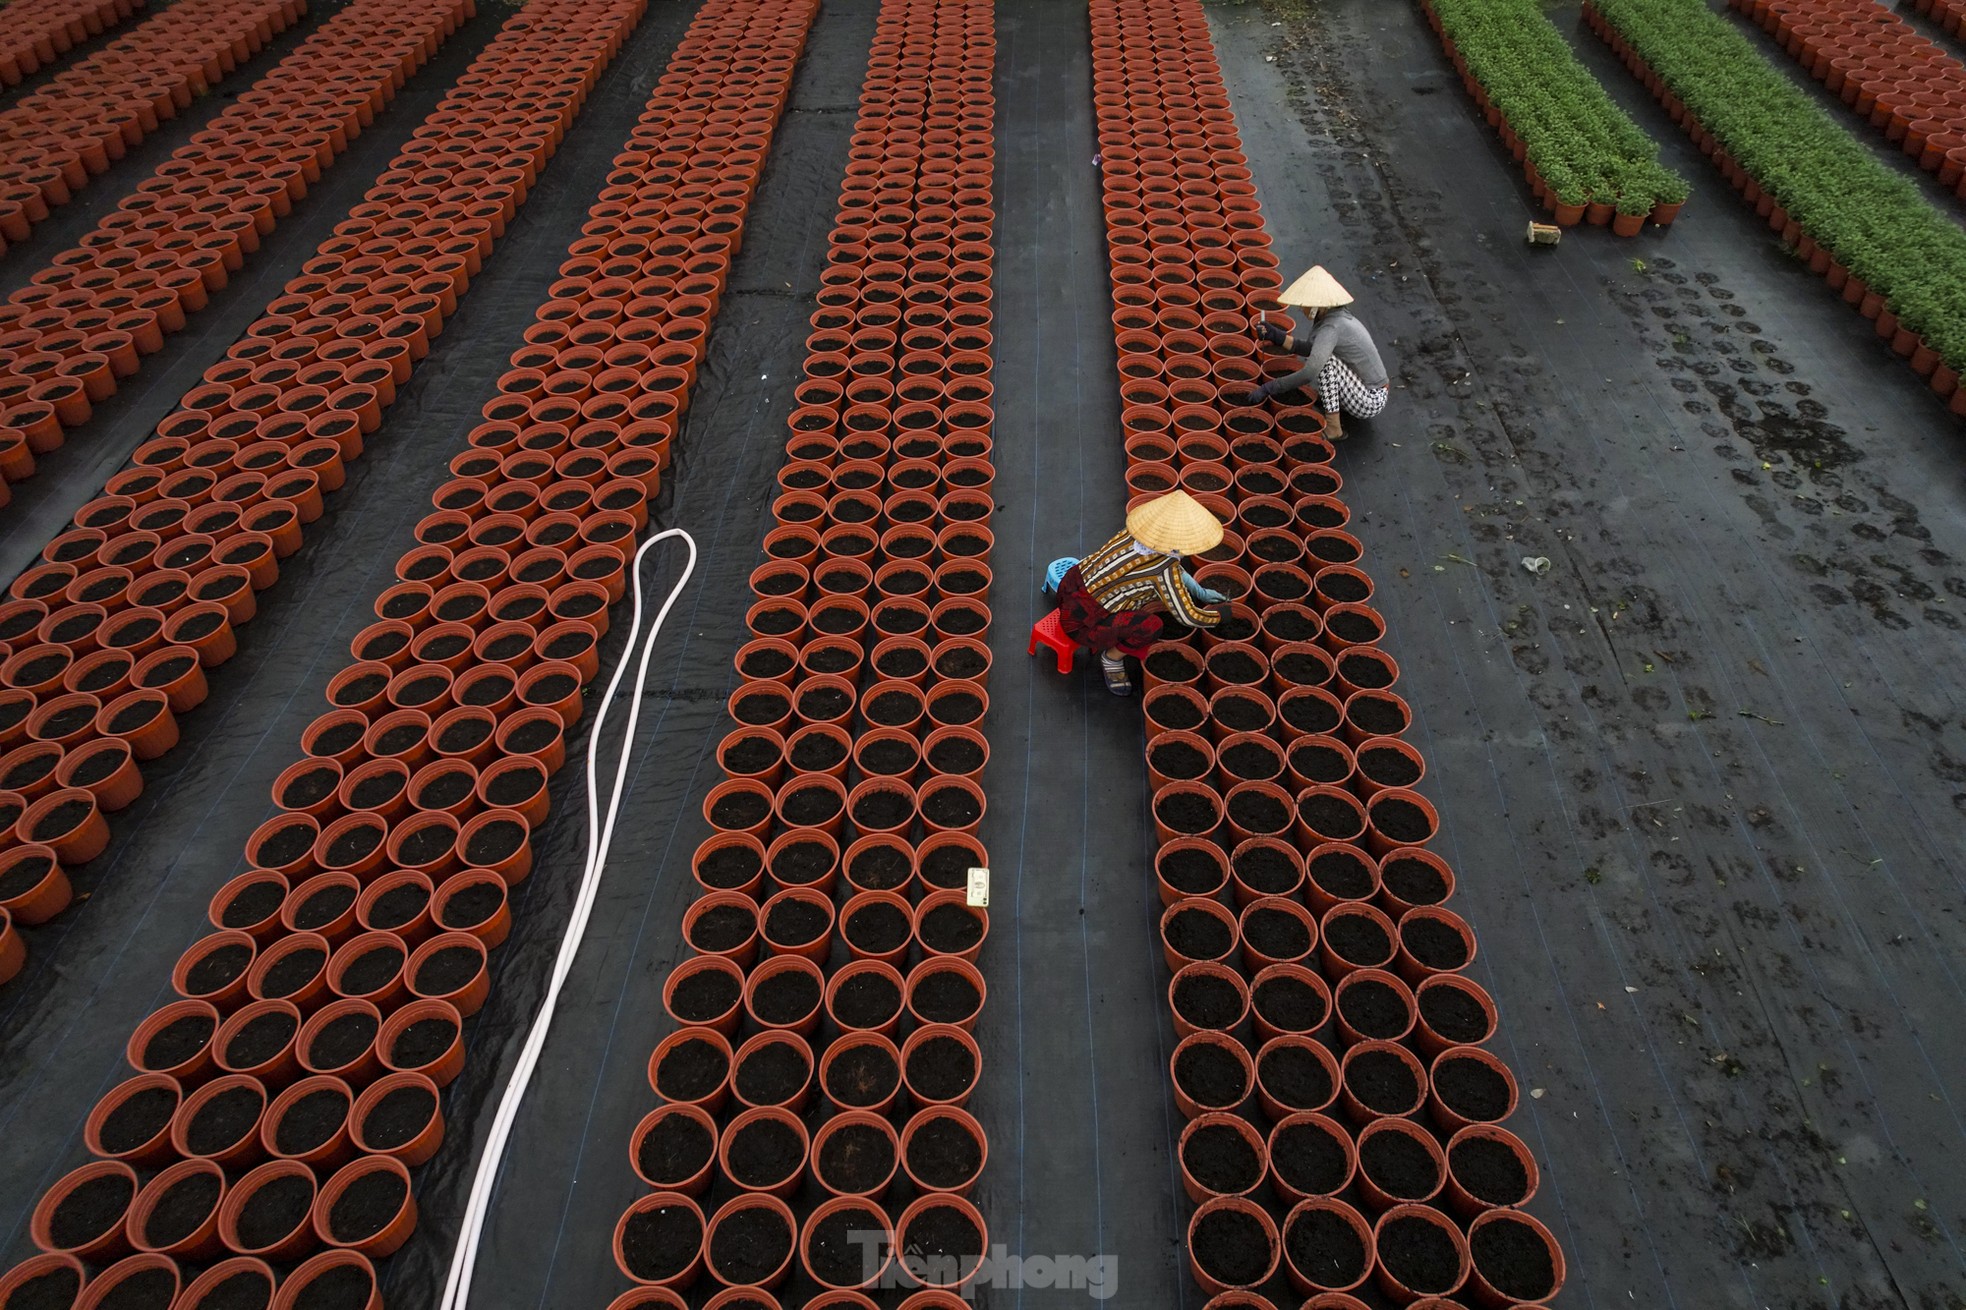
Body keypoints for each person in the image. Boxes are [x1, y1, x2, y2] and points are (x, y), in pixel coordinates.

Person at [1041, 490, 1230, 696]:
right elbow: (1187, 616)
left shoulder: (1135, 533)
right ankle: (1112, 658)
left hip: (1069, 587)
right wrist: (1218, 617)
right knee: (1152, 626)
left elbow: (1172, 563)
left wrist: (1198, 591)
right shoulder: (1163, 571)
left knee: (1144, 594)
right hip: (1082, 623)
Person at [1242, 265, 1388, 442]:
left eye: (1305, 305)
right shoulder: (1333, 318)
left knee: (1324, 363)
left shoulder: (1332, 327)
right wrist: (1278, 337)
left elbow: (1310, 372)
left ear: (1317, 305)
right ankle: (1335, 407)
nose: (1302, 309)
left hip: (1370, 399)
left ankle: (1334, 427)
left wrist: (1270, 388)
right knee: (1322, 358)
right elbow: (1313, 349)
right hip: (1359, 388)